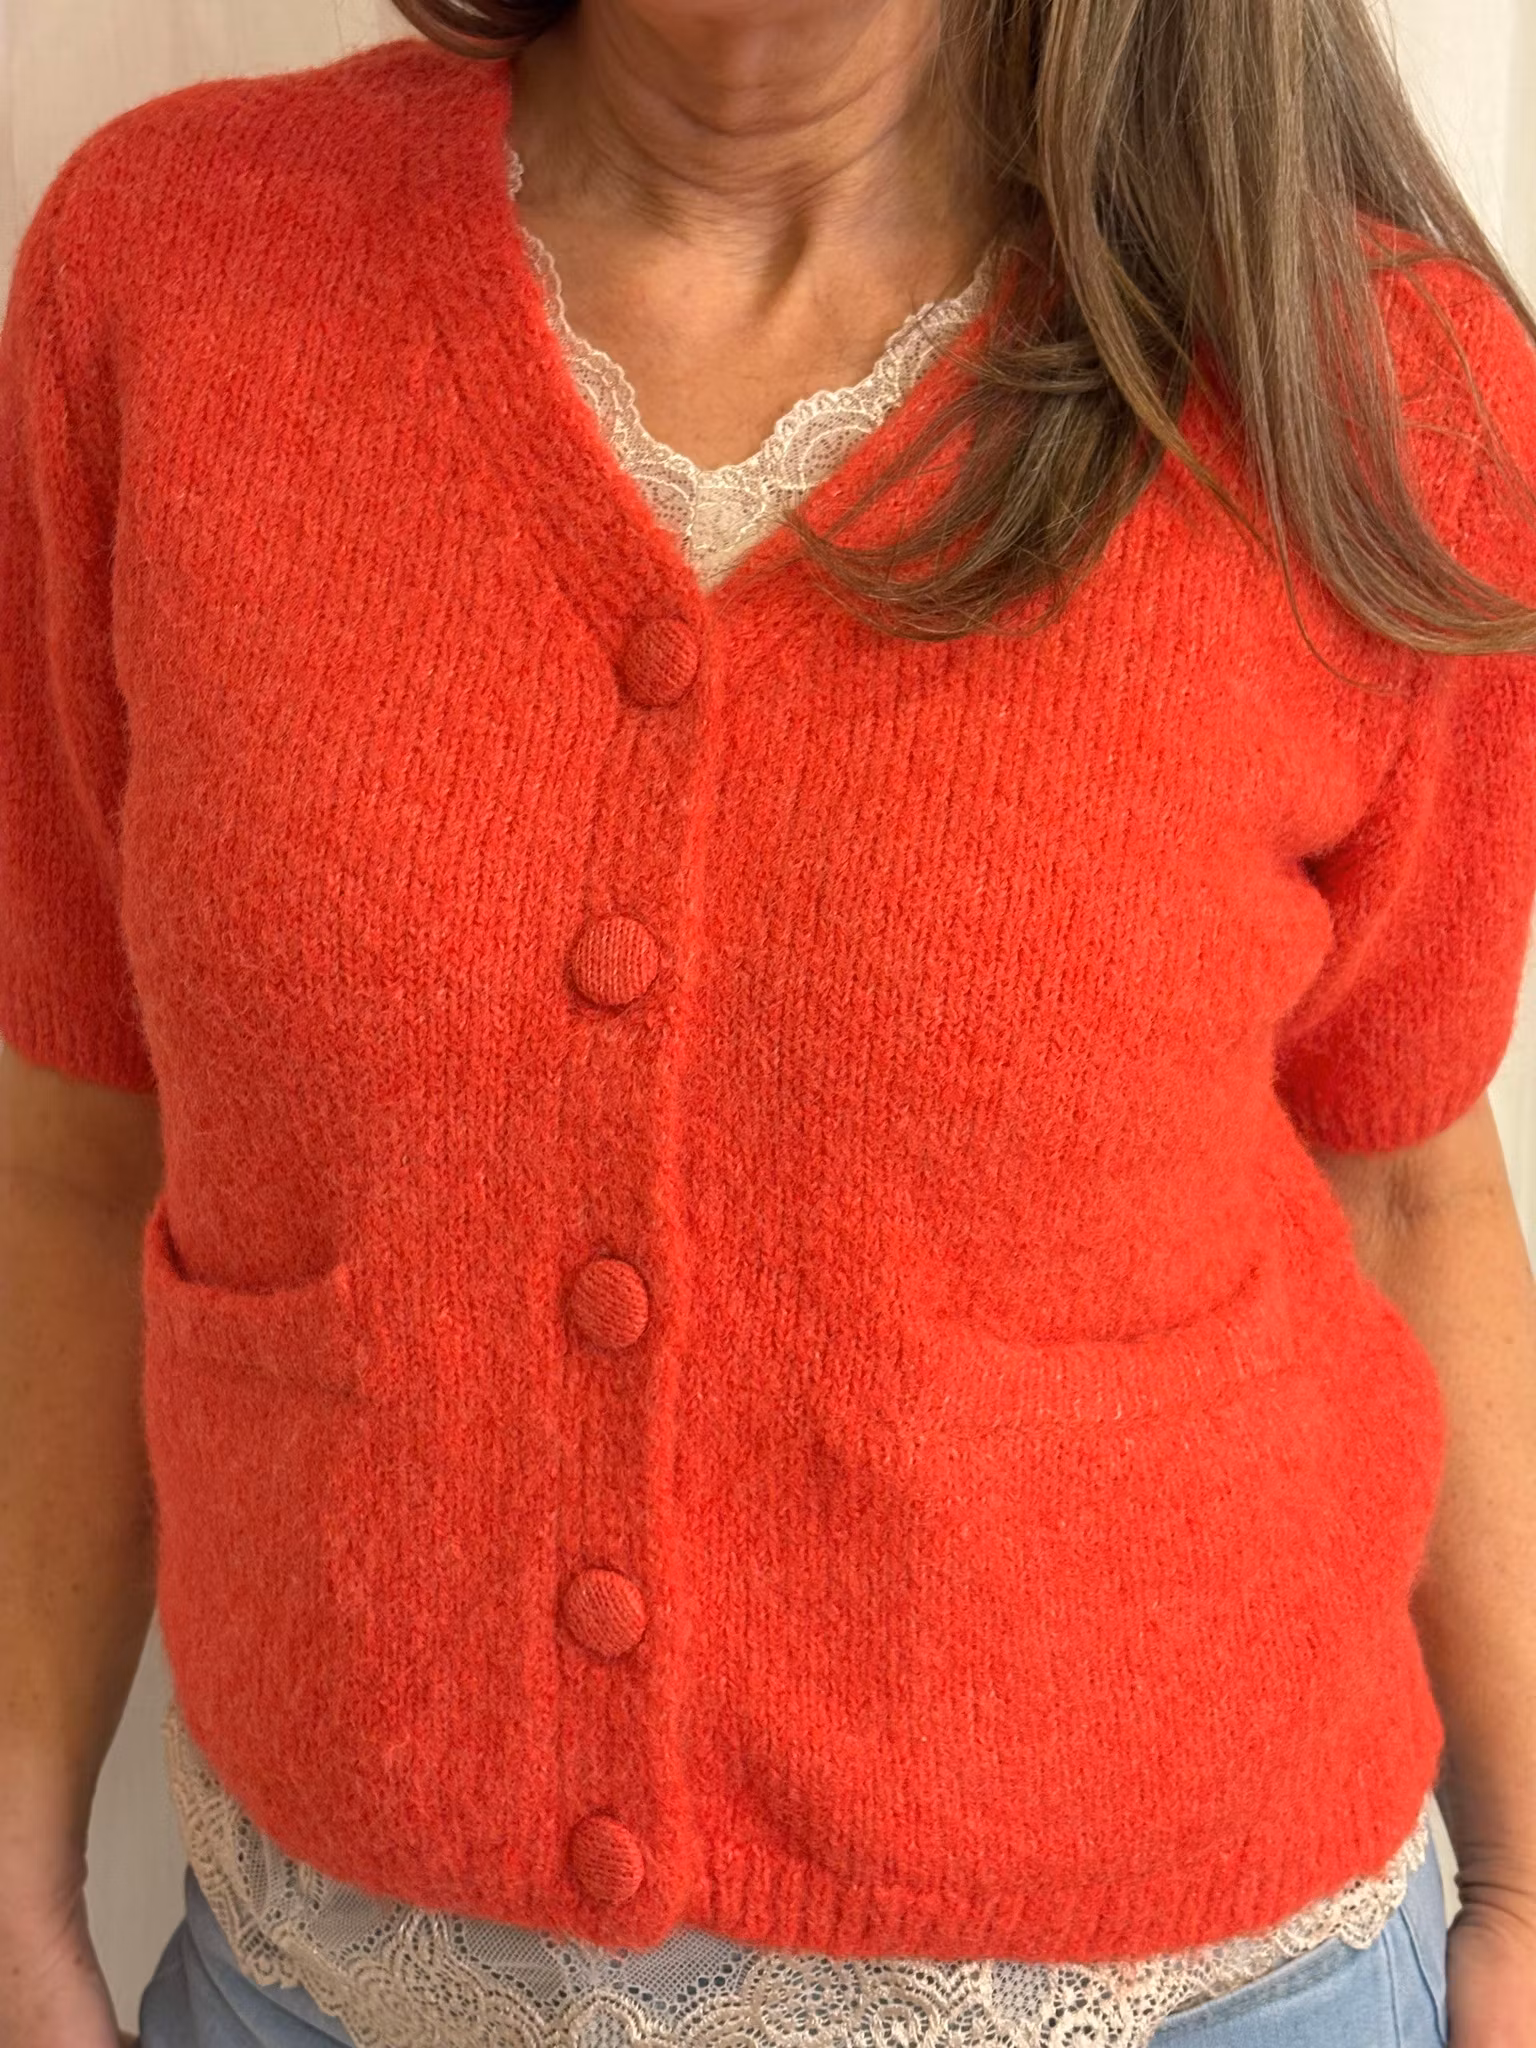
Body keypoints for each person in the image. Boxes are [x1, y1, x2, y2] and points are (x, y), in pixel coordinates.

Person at [2, 0, 1536, 2043]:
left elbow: (1408, 1182)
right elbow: (75, 1144)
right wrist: (12, 1878)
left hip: (1209, 1983)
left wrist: (1529, 1889)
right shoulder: (172, 272)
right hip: (324, 1987)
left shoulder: (1370, 381)